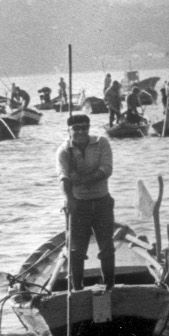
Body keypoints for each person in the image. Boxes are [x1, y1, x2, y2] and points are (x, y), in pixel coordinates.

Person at [57, 113, 118, 291]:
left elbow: (106, 169)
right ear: (69, 130)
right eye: (76, 128)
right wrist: (68, 200)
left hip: (102, 203)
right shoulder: (63, 151)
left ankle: (109, 286)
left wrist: (82, 180)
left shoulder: (102, 143)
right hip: (78, 205)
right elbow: (63, 178)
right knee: (75, 251)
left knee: (107, 248)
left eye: (85, 127)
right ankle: (77, 289)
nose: (81, 131)